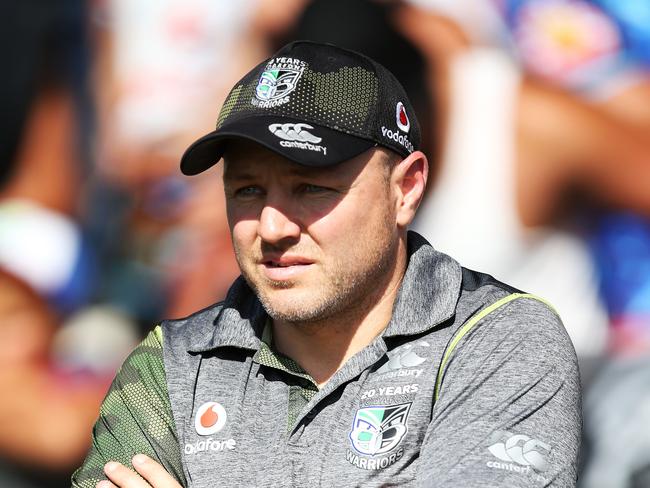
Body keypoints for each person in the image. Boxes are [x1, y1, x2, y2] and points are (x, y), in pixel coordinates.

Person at [72, 41, 580, 488]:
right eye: (247, 190)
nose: (272, 228)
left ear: (405, 190)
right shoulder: (173, 362)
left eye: (311, 187)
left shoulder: (501, 338)